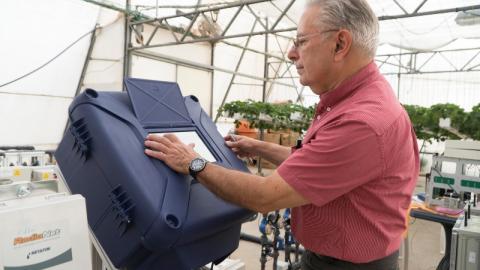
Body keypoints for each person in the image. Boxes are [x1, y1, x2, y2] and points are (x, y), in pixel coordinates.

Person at [144, 0, 419, 269]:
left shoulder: (362, 122)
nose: (290, 53)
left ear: (339, 44)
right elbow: (318, 165)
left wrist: (193, 162)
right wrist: (258, 147)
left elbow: (264, 196)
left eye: (301, 41)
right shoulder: (356, 102)